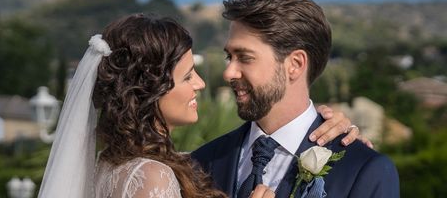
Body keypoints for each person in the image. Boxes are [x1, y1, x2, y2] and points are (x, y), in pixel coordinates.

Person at [37, 13, 362, 198]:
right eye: (188, 75)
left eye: (244, 57)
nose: (202, 83)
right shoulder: (151, 176)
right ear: (151, 90)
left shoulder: (108, 165)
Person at [192, 0, 399, 198]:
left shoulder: (362, 171)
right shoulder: (201, 163)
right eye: (229, 57)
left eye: (245, 57)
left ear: (295, 64)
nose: (228, 73)